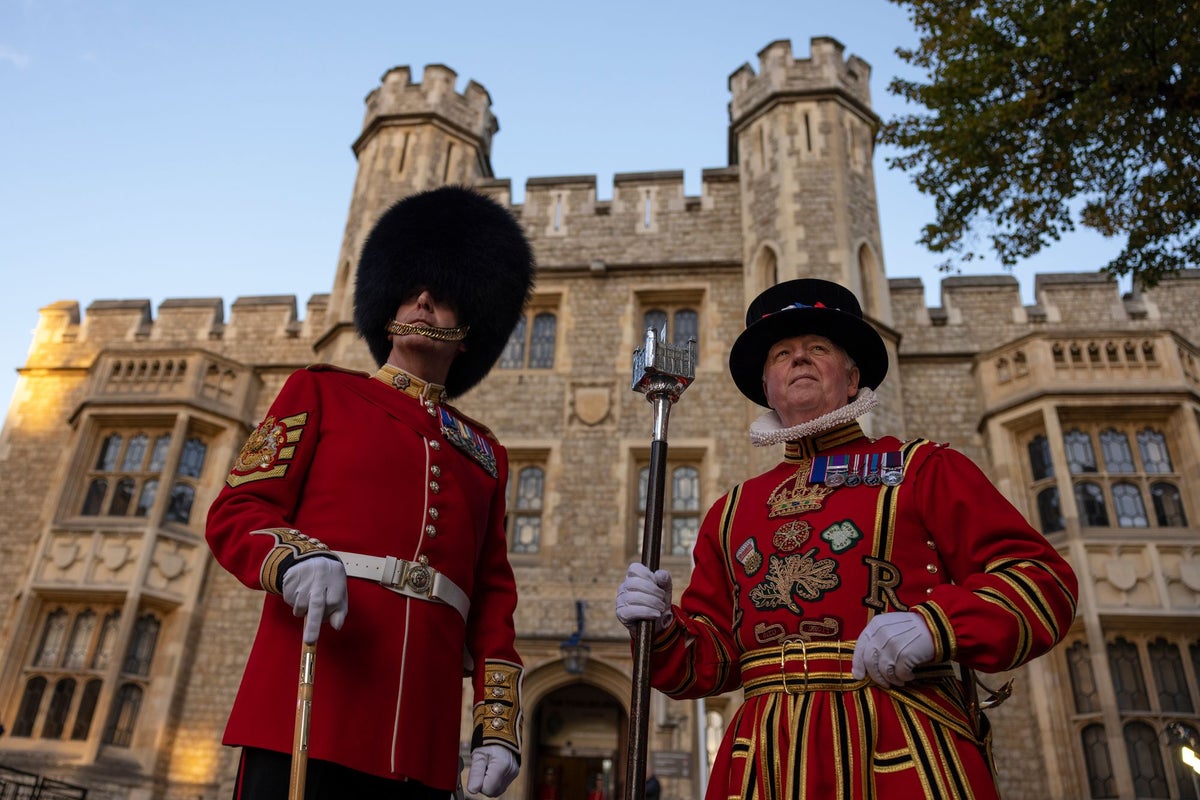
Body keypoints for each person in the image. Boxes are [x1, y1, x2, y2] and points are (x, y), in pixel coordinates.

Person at [616, 279, 1079, 799]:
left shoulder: (923, 468)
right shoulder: (731, 511)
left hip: (899, 743)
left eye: (818, 349)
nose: (800, 360)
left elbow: (1043, 583)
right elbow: (712, 661)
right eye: (782, 355)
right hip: (763, 760)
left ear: (853, 376)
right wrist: (660, 628)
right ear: (766, 386)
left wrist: (939, 625)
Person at [207, 186, 535, 799]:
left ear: (470, 330)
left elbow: (492, 595)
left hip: (424, 730)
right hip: (312, 699)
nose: (425, 299)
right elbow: (237, 510)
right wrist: (295, 559)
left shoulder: (486, 453)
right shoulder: (320, 392)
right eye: (413, 288)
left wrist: (497, 725)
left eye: (444, 294)